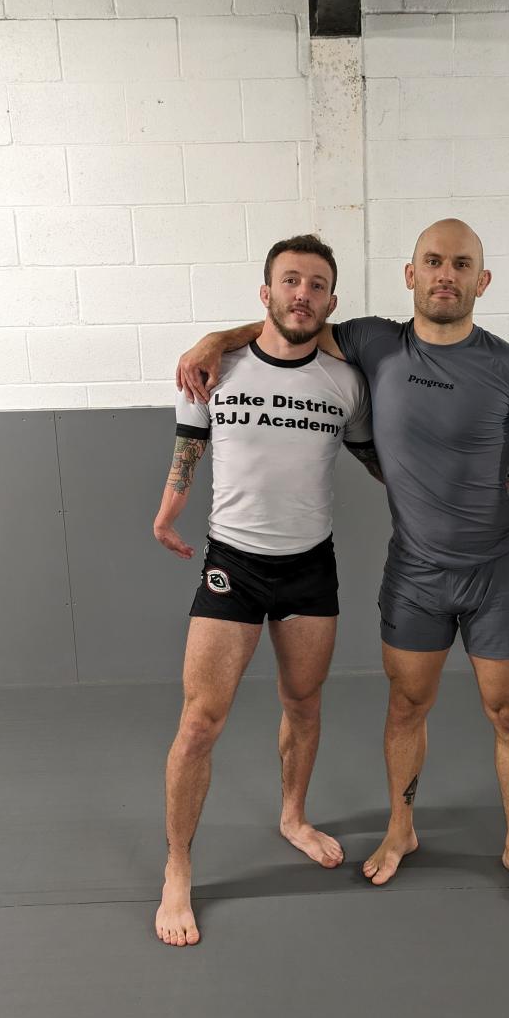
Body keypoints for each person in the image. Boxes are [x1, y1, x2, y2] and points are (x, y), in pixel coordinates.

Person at [177, 219, 509, 911]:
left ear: (482, 281)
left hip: (496, 575)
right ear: (410, 274)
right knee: (406, 706)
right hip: (416, 578)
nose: (445, 275)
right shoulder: (374, 342)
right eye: (432, 261)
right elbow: (290, 323)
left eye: (461, 264)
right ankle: (401, 829)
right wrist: (215, 340)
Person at [154, 234, 381, 946]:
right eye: (290, 280)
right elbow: (189, 446)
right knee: (200, 723)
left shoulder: (346, 385)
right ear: (266, 293)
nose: (302, 293)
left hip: (310, 568)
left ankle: (293, 815)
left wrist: (457, 487)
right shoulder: (215, 367)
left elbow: (381, 462)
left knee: (304, 704)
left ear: (332, 302)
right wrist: (168, 510)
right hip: (234, 563)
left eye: (316, 284)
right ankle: (178, 867)